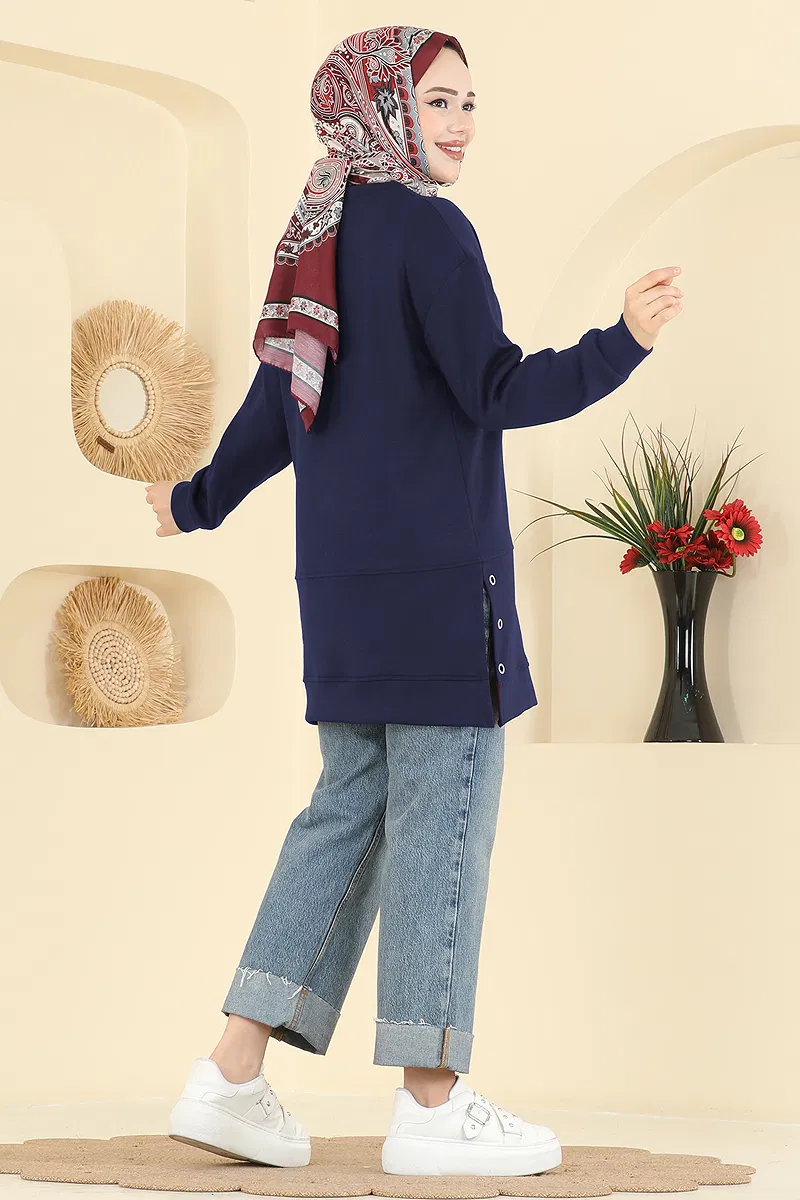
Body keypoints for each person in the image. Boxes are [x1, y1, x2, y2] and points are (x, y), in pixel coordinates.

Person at [148, 25, 683, 1178]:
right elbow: (496, 388)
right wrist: (622, 344)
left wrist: (194, 502)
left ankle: (229, 1074)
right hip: (440, 593)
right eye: (437, 101)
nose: (460, 125)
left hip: (341, 597)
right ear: (383, 106)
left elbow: (278, 405)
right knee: (443, 826)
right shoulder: (429, 230)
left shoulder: (317, 235)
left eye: (469, 103)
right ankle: (432, 1106)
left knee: (344, 815)